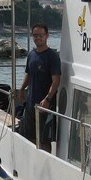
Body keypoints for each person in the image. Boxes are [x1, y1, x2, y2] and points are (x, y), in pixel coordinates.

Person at [18, 23, 61, 152]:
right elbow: (29, 74)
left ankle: (47, 166)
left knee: (44, 140)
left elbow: (56, 80)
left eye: (40, 35)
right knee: (29, 136)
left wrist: (47, 99)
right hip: (31, 104)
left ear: (47, 36)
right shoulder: (31, 55)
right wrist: (21, 89)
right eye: (35, 35)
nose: (38, 38)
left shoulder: (52, 57)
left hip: (45, 106)